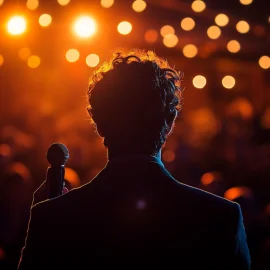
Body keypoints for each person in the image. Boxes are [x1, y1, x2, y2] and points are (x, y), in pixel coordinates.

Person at [18, 50, 251, 269]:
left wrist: (49, 216)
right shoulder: (221, 218)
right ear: (170, 122)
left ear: (99, 123)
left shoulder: (53, 217)